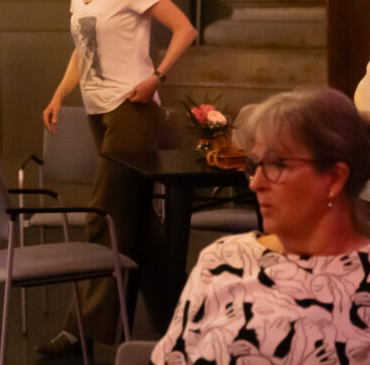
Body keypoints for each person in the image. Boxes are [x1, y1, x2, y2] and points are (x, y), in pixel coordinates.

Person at [39, 0, 196, 356]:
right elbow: (83, 47)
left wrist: (156, 78)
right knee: (138, 224)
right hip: (98, 111)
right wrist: (60, 93)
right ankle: (182, 314)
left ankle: (80, 330)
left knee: (102, 215)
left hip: (132, 110)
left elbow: (184, 29)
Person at [151, 87, 370, 364]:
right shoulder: (223, 259)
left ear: (335, 178)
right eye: (254, 166)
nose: (256, 183)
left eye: (277, 165)